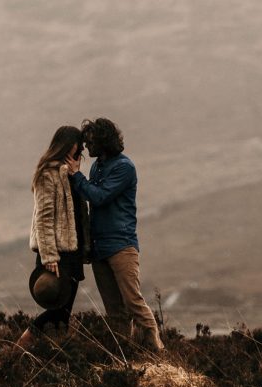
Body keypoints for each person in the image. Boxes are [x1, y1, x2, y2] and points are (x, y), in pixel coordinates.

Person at [66, 117, 164, 352]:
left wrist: (77, 176)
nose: (86, 148)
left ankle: (159, 351)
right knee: (114, 311)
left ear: (102, 140)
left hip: (121, 245)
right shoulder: (96, 166)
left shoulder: (124, 167)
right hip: (100, 247)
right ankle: (125, 356)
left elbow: (99, 197)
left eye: (90, 142)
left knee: (133, 302)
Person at [17, 125, 90, 351]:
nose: (77, 156)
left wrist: (76, 173)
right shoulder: (47, 173)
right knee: (58, 308)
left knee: (64, 312)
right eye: (74, 151)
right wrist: (49, 256)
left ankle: (54, 354)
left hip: (73, 250)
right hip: (56, 253)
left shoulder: (70, 173)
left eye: (79, 153)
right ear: (63, 148)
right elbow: (44, 218)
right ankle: (25, 341)